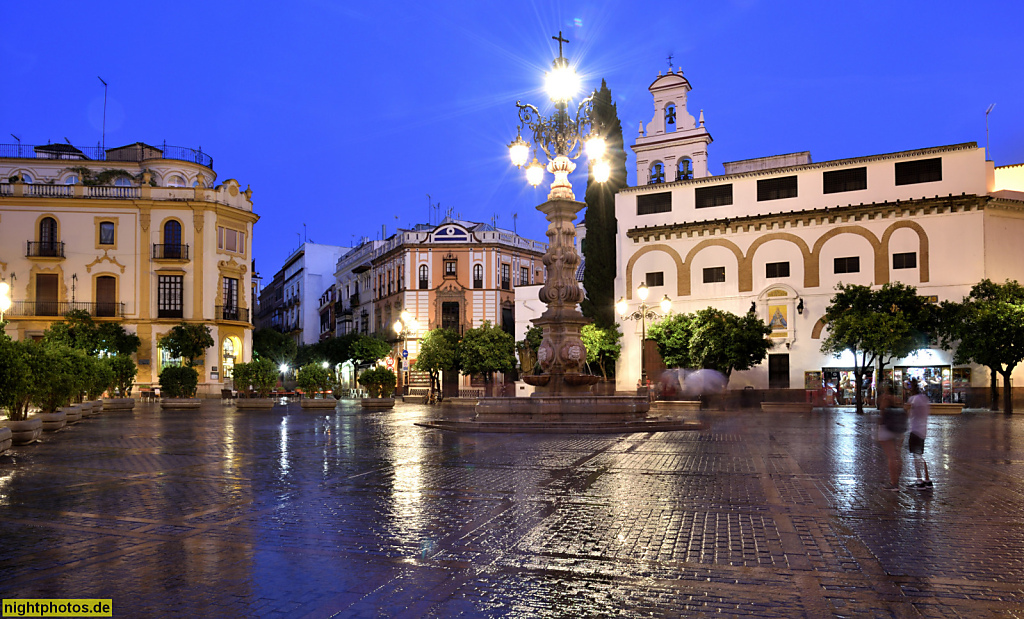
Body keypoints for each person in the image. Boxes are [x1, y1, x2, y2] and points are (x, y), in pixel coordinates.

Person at [876, 383, 907, 491]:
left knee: (891, 456)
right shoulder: (898, 399)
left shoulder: (885, 398)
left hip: (887, 427)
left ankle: (894, 483)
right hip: (898, 428)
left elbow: (882, 411)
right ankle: (896, 480)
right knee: (897, 455)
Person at [906, 379, 933, 489]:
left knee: (916, 455)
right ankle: (927, 479)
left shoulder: (913, 399)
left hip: (915, 429)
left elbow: (908, 413)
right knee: (920, 455)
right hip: (923, 429)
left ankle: (919, 480)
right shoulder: (924, 398)